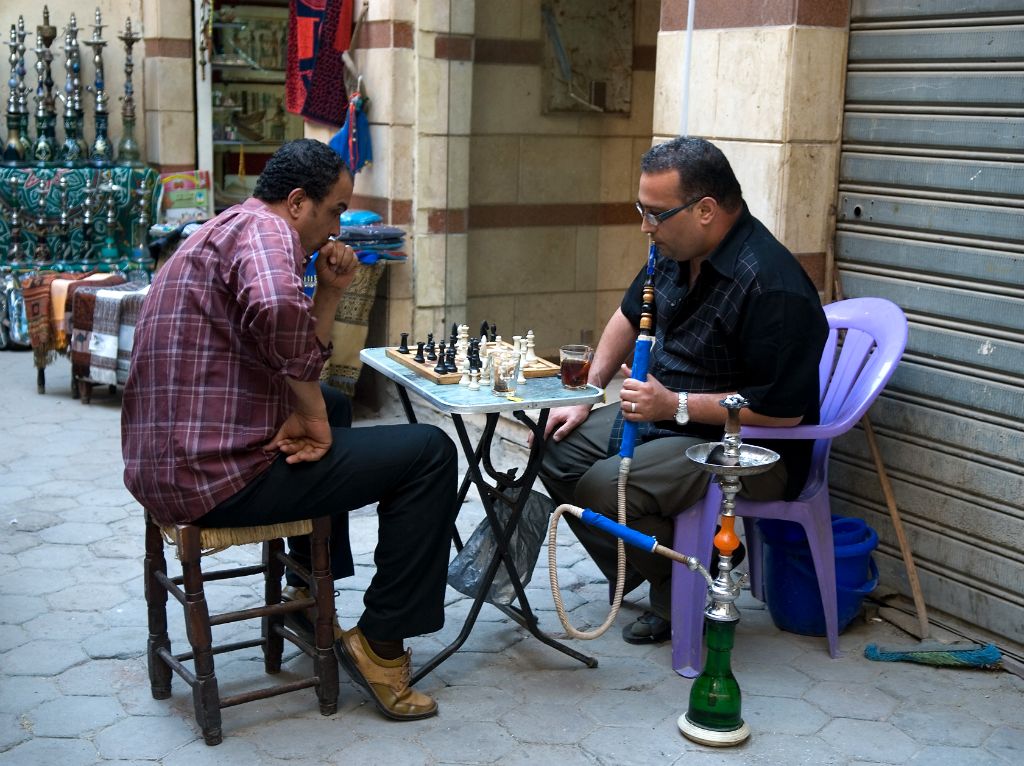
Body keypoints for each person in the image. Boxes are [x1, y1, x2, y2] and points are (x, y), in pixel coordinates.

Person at [122, 139, 457, 720]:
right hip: (210, 478)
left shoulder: (229, 226)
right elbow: (279, 314)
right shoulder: (269, 235)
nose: (338, 230)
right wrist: (316, 425)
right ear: (298, 202)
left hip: (166, 462)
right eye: (334, 211)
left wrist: (328, 293)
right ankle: (380, 644)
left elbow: (299, 354)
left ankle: (307, 595)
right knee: (430, 451)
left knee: (332, 401)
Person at [539, 136, 828, 644]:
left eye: (655, 214)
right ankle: (670, 575)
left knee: (605, 489)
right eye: (641, 210)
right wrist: (586, 394)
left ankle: (690, 585)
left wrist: (674, 404)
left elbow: (781, 414)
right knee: (554, 449)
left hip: (755, 450)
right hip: (666, 415)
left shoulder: (772, 285)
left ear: (706, 210)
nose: (645, 227)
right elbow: (629, 315)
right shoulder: (673, 250)